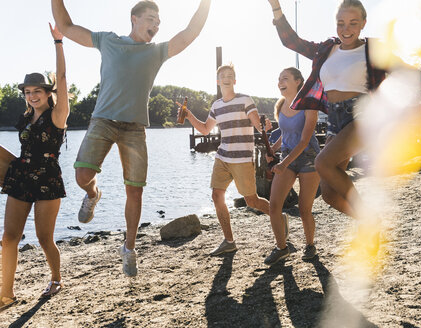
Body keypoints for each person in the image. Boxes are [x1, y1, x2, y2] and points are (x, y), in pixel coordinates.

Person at [267, 0, 421, 251]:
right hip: (334, 122)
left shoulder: (374, 49)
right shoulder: (326, 49)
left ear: (363, 23)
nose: (346, 28)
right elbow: (291, 42)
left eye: (353, 23)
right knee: (329, 194)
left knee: (322, 163)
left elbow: (406, 73)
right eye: (341, 23)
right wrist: (276, 7)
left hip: (362, 115)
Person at [51, 0, 211, 277]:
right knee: (81, 176)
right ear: (134, 19)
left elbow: (190, 32)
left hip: (135, 128)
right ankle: (93, 194)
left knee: (134, 190)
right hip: (103, 121)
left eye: (159, 22)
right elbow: (66, 26)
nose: (156, 25)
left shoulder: (157, 52)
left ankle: (129, 247)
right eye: (151, 19)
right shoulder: (108, 41)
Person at [0, 24, 69, 311]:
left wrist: (58, 42)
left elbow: (63, 78)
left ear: (47, 91)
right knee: (9, 238)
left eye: (36, 91)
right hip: (21, 176)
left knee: (43, 238)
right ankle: (5, 294)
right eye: (27, 92)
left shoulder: (58, 115)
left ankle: (56, 279)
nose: (31, 96)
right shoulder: (26, 117)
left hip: (47, 179)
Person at [183, 64, 280, 256]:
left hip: (243, 158)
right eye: (222, 76)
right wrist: (188, 115)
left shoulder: (245, 100)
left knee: (251, 201)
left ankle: (279, 217)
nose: (226, 78)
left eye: (230, 75)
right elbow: (204, 129)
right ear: (218, 81)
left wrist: (266, 126)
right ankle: (229, 241)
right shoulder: (216, 106)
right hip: (223, 157)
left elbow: (259, 127)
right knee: (217, 195)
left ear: (234, 80)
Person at [263, 67, 321, 265]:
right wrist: (273, 147)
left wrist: (282, 163)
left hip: (309, 158)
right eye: (279, 78)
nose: (280, 81)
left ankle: (310, 246)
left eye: (285, 78)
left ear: (298, 82)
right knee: (274, 206)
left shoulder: (309, 105)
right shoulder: (280, 105)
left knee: (304, 209)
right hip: (287, 156)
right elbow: (284, 132)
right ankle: (282, 248)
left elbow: (304, 141)